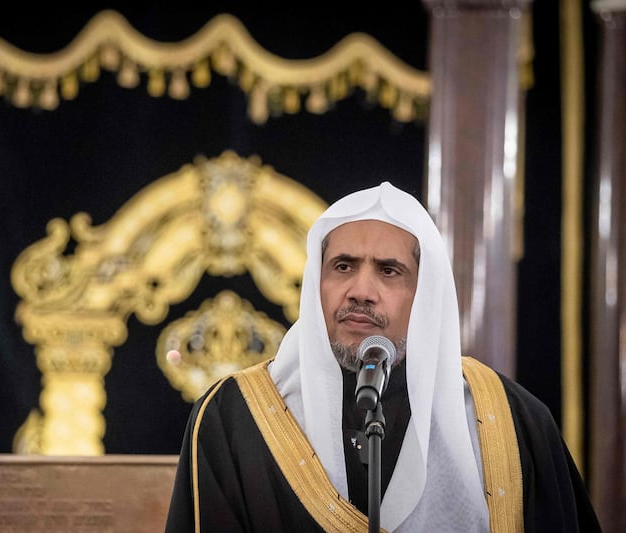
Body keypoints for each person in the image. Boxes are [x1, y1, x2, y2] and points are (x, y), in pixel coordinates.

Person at [164, 181, 600, 532]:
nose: (361, 291)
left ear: (425, 294)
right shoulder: (235, 415)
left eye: (389, 271)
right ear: (316, 280)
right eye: (343, 266)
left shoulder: (513, 422)